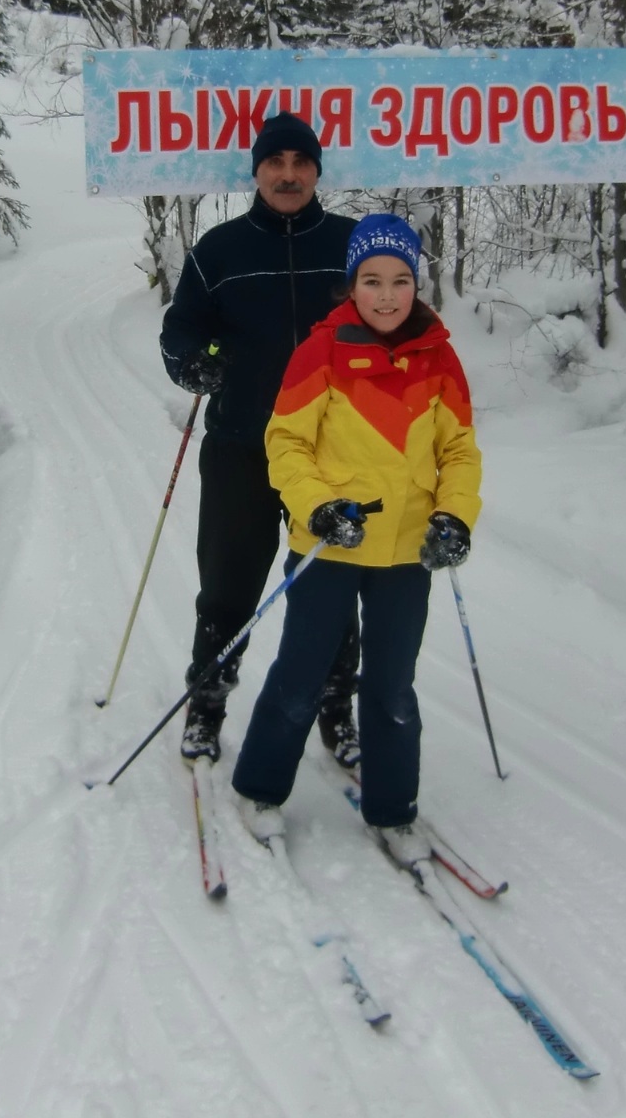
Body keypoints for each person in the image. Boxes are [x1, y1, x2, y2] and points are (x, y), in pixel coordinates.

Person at [229, 213, 480, 861]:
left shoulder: (440, 358)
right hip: (330, 545)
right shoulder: (321, 352)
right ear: (351, 285)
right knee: (302, 674)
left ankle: (393, 811)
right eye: (372, 280)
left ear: (417, 284)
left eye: (400, 280)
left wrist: (454, 517)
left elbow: (459, 452)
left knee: (393, 686)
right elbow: (285, 443)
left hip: (407, 554)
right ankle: (259, 791)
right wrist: (316, 508)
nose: (388, 294)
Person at [160, 111, 359, 766]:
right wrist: (194, 363)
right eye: (276, 163)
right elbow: (182, 329)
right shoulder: (219, 250)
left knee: (330, 583)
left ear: (317, 172)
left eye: (301, 164)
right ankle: (207, 704)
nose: (289, 174)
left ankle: (338, 709)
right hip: (242, 445)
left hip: (332, 454)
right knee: (228, 584)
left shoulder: (354, 246)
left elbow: (394, 322)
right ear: (257, 171)